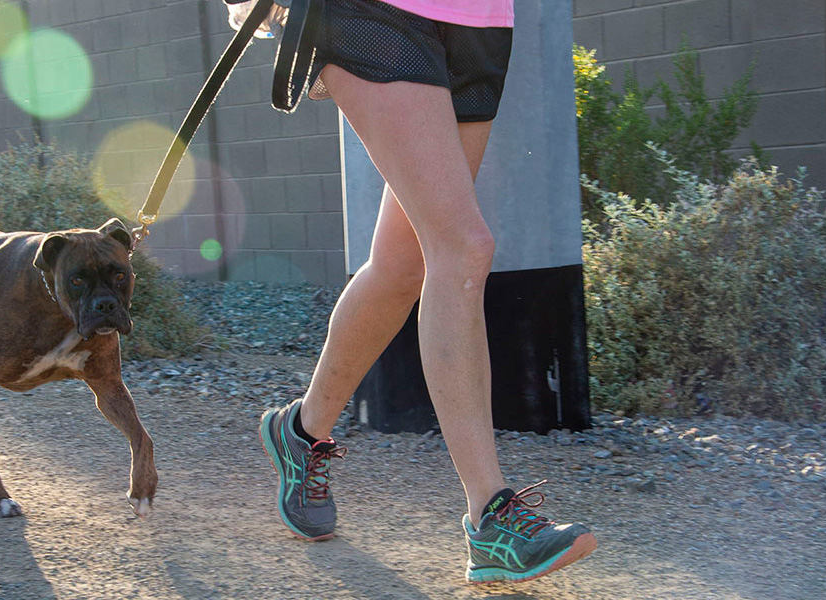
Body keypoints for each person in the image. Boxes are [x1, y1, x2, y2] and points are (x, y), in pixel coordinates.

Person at [226, 0, 596, 583]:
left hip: (480, 20)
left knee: (402, 265)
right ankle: (489, 518)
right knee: (463, 246)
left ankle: (301, 432)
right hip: (372, 14)